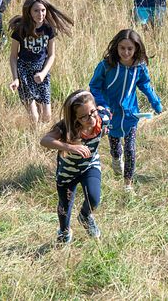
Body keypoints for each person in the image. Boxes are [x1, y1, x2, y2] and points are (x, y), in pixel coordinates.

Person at [89, 30, 162, 191]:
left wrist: (155, 102)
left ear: (136, 48)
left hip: (130, 114)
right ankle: (116, 159)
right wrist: (101, 105)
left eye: (130, 48)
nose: (126, 52)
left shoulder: (139, 67)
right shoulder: (106, 65)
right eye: (122, 48)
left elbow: (145, 85)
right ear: (116, 47)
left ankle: (128, 184)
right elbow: (94, 85)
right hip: (110, 114)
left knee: (130, 148)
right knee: (116, 147)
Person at [40, 90, 110, 244]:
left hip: (89, 166)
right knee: (65, 208)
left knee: (94, 198)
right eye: (84, 116)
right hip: (67, 172)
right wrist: (70, 147)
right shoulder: (66, 127)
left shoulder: (103, 117)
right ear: (74, 117)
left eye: (92, 112)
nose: (90, 118)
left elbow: (109, 125)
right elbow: (45, 140)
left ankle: (85, 216)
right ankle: (64, 232)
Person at [8, 0, 74, 123]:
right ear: (29, 12)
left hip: (42, 71)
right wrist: (15, 78)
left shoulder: (49, 29)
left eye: (43, 10)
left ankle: (43, 139)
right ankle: (33, 140)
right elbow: (13, 56)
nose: (40, 14)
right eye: (36, 11)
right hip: (24, 71)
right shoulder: (21, 29)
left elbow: (51, 55)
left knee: (47, 116)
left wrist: (43, 73)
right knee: (34, 116)